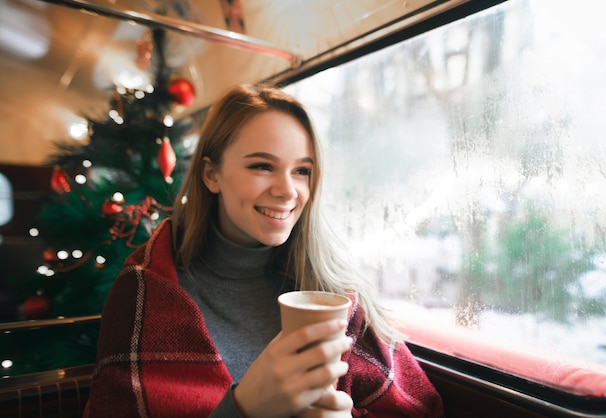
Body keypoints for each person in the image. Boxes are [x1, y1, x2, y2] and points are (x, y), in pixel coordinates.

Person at [85, 84, 445, 417]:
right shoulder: (145, 290)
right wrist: (244, 409)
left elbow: (418, 407)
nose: (287, 190)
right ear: (211, 175)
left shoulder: (335, 292)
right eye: (262, 166)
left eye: (302, 171)